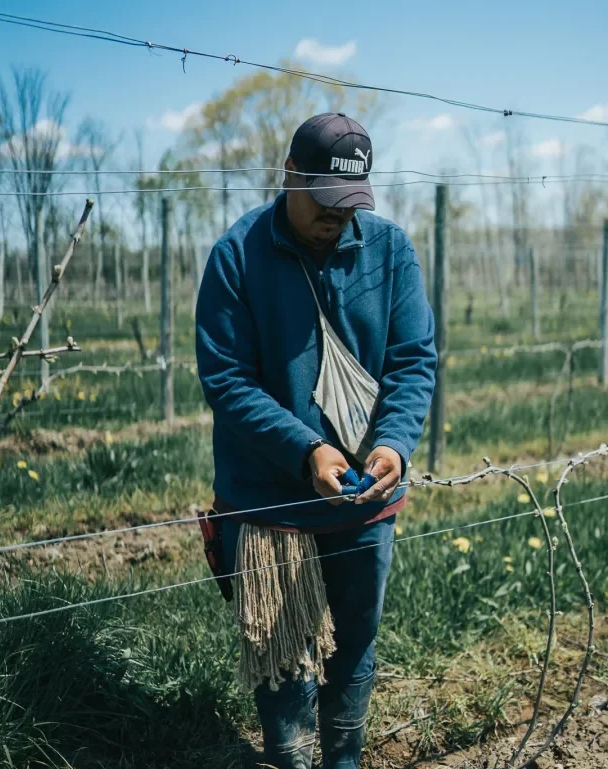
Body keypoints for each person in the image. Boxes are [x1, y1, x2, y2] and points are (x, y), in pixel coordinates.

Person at [195, 112, 437, 769]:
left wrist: (394, 444)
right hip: (267, 503)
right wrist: (307, 450)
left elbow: (414, 360)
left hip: (364, 502)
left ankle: (345, 760)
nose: (337, 216)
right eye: (325, 199)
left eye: (350, 202)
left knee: (354, 647)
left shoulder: (391, 252)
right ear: (290, 175)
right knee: (281, 662)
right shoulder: (237, 256)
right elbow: (226, 379)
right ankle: (292, 759)